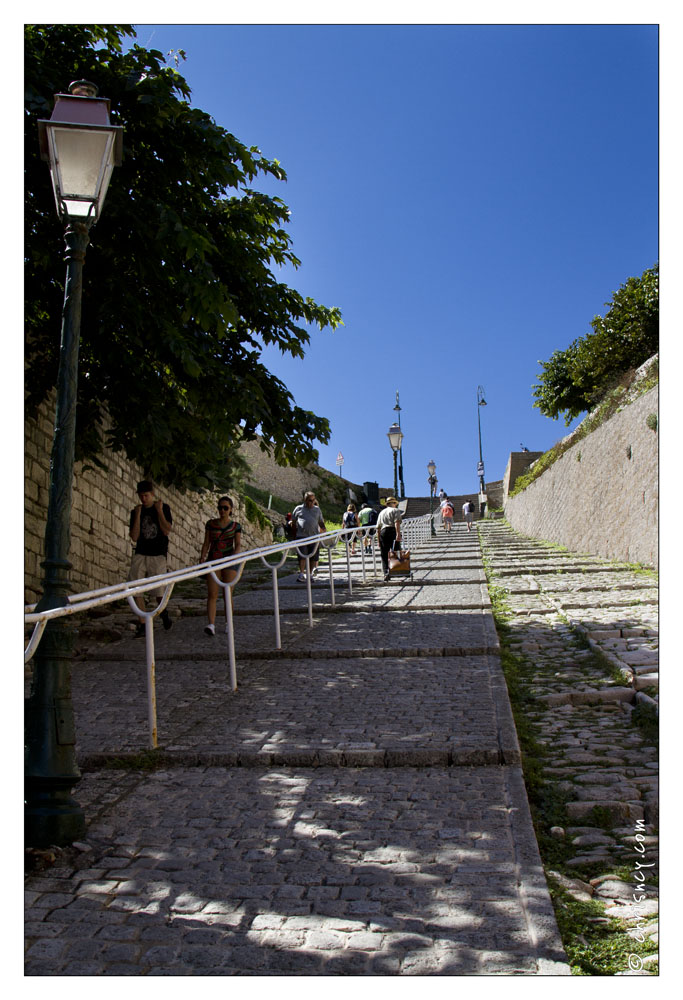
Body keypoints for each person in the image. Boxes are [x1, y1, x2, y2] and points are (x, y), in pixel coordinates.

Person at [128, 480, 173, 636]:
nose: (143, 499)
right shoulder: (135, 512)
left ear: (152, 494)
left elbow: (167, 530)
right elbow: (134, 536)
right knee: (135, 589)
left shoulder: (163, 508)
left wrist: (159, 511)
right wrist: (138, 515)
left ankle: (163, 612)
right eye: (141, 496)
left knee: (159, 591)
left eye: (146, 495)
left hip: (158, 554)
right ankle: (143, 624)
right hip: (140, 552)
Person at [200, 496, 242, 636]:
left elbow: (238, 544)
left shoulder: (236, 526)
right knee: (212, 593)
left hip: (228, 561)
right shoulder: (211, 524)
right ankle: (211, 624)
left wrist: (234, 558)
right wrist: (202, 558)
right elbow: (206, 543)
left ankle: (228, 623)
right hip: (214, 560)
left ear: (230, 510)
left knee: (227, 593)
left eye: (225, 508)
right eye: (220, 507)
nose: (222, 510)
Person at [292, 491, 326, 582]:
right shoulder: (298, 508)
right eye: (310, 500)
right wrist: (294, 535)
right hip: (301, 536)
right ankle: (301, 574)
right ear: (305, 500)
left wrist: (324, 529)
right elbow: (294, 522)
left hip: (314, 536)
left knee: (313, 557)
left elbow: (321, 521)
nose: (312, 502)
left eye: (313, 500)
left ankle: (310, 575)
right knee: (302, 556)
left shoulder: (317, 509)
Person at [376, 497, 403, 582]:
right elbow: (397, 522)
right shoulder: (395, 510)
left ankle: (386, 572)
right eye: (395, 503)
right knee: (396, 551)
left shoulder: (381, 513)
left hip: (383, 532)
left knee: (384, 553)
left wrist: (378, 540)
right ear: (394, 503)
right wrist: (398, 534)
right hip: (392, 531)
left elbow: (378, 528)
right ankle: (396, 570)